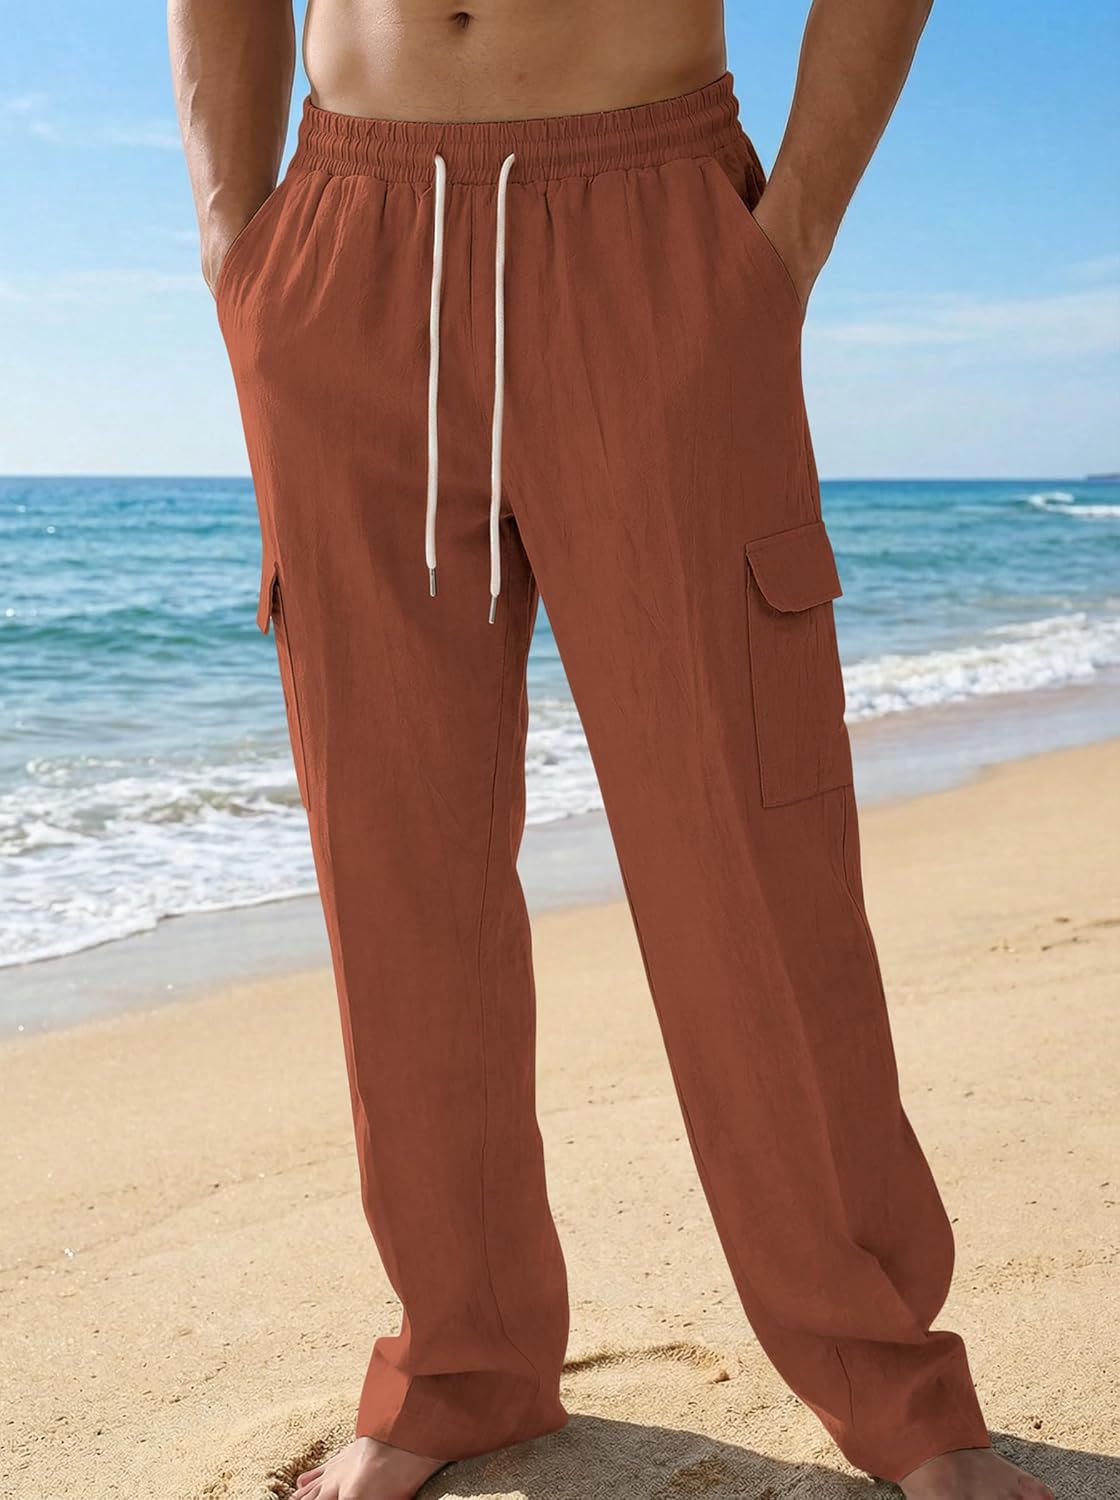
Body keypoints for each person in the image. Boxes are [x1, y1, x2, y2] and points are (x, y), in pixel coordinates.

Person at [168, 3, 1053, 1498]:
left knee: (748, 861)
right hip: (348, 246)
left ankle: (892, 1381)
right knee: (397, 871)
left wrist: (786, 241)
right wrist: (233, 242)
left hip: (650, 232)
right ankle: (462, 1365)